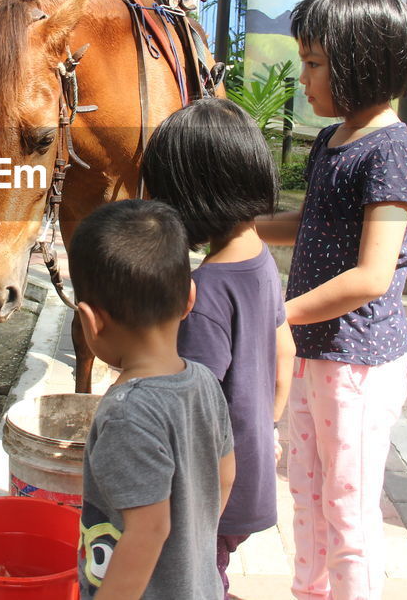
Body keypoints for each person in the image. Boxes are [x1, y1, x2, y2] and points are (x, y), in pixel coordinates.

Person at [257, 0, 407, 600]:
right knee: (304, 489)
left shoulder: (391, 153)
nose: (303, 78)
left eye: (314, 63)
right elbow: (310, 224)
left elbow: (371, 276)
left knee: (348, 507)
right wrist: (235, 227)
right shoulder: (334, 140)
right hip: (312, 351)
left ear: (360, 63)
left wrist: (277, 313)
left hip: (356, 362)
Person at [140, 96, 297, 593]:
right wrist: (266, 427)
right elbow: (285, 351)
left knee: (196, 580)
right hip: (250, 473)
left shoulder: (205, 291)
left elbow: (191, 409)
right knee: (212, 571)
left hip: (214, 492)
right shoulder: (261, 261)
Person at [72, 199, 237, 599]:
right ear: (189, 299)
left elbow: (148, 531)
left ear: (90, 321)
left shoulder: (126, 414)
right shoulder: (203, 381)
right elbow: (226, 474)